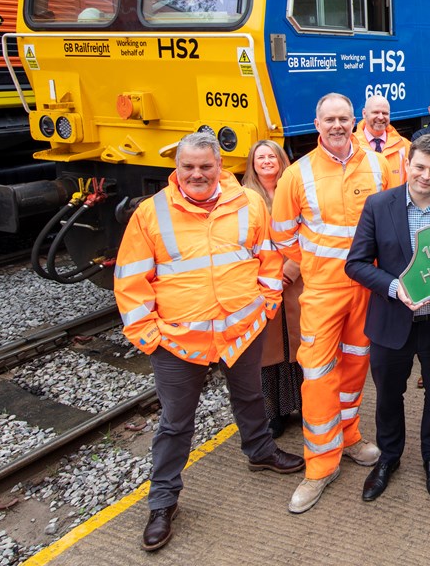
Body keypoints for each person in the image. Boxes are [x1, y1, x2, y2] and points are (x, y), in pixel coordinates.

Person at [115, 132, 303, 551]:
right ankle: (163, 502)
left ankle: (259, 451)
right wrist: (149, 334)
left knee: (251, 396)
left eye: (205, 166)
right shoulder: (151, 214)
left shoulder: (249, 203)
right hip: (180, 341)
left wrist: (266, 305)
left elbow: (268, 258)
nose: (197, 174)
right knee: (176, 423)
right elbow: (130, 281)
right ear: (177, 169)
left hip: (241, 330)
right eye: (189, 167)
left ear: (219, 166)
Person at [271, 93, 391, 515]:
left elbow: (391, 221)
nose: (337, 125)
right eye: (330, 119)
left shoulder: (378, 166)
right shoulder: (297, 174)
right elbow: (283, 235)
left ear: (353, 120)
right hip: (322, 291)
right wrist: (318, 266)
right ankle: (320, 465)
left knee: (357, 363)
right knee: (318, 372)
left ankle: (350, 435)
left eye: (344, 118)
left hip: (366, 288)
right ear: (317, 123)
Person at [346, 135, 430, 502]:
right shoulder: (378, 205)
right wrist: (392, 287)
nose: (425, 175)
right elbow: (355, 264)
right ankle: (389, 458)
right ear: (407, 165)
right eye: (419, 166)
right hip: (391, 322)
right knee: (388, 395)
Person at [243, 140, 302, 438]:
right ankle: (273, 413)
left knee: (299, 346)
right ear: (252, 164)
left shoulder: (294, 190)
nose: (266, 161)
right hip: (261, 284)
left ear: (281, 160)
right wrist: (264, 278)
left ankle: (306, 407)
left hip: (294, 281)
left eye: (271, 156)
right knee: (268, 351)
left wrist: (290, 271)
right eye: (260, 157)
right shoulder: (243, 198)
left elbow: (308, 233)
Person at [357, 95, 411, 185]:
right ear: (364, 113)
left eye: (385, 113)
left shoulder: (405, 146)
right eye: (375, 112)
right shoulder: (352, 146)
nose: (381, 117)